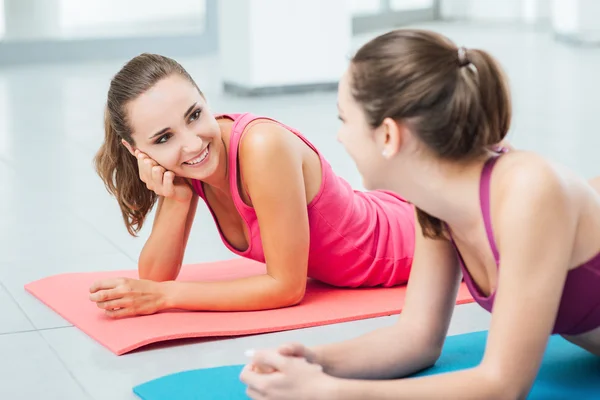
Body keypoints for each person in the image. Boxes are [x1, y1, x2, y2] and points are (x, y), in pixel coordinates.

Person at [240, 28, 600, 399]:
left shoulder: (529, 190)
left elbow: (503, 385)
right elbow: (417, 337)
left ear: (388, 136)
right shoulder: (436, 205)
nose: (340, 137)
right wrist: (313, 361)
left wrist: (331, 392)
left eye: (344, 120)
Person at [88, 53, 416, 318]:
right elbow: (154, 278)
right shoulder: (189, 167)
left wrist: (168, 297)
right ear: (136, 151)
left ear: (204, 99)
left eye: (194, 115)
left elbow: (286, 288)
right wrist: (176, 197)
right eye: (164, 137)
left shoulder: (262, 145)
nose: (192, 143)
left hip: (415, 240)